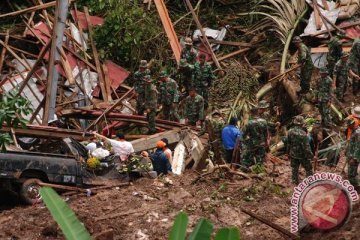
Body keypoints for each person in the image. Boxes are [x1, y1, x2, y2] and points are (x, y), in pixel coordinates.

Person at [283, 116, 313, 184]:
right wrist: (310, 155)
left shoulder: (290, 131)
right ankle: (310, 183)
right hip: (303, 155)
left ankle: (294, 182)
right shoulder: (303, 134)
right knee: (308, 169)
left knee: (294, 169)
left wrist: (287, 153)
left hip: (293, 154)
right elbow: (306, 147)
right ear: (302, 123)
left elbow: (288, 143)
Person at [346, 118, 360, 190]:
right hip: (351, 156)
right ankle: (354, 188)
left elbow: (358, 146)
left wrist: (355, 158)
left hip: (353, 157)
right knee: (352, 174)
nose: (347, 127)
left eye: (348, 125)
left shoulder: (357, 132)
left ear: (352, 124)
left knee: (351, 175)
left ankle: (357, 188)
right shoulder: (354, 131)